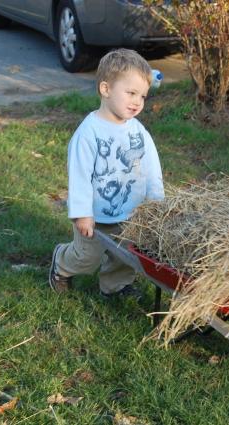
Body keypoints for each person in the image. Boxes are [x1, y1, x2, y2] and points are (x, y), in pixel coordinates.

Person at [48, 48, 165, 299]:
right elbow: (79, 175)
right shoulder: (89, 132)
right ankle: (62, 263)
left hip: (131, 213)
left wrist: (156, 201)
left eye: (142, 96)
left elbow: (151, 167)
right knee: (87, 258)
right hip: (95, 215)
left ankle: (115, 286)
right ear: (106, 89)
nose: (137, 102)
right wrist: (82, 213)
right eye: (131, 93)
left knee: (126, 254)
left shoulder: (138, 132)